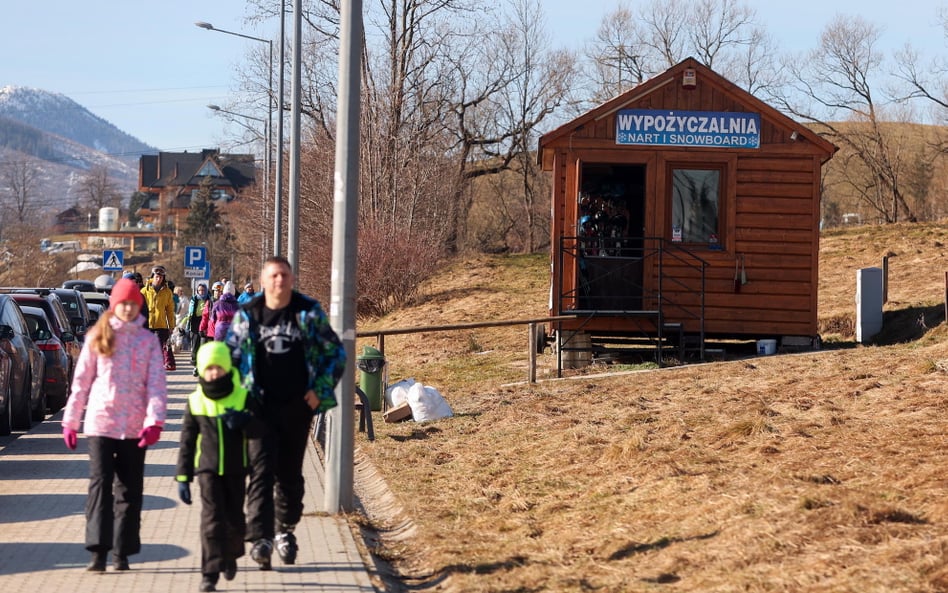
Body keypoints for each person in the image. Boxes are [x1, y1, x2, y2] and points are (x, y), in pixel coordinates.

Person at [226, 256, 345, 570]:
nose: (279, 281)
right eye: (274, 275)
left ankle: (285, 529)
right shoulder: (249, 314)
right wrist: (230, 400)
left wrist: (320, 391)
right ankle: (261, 538)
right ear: (263, 281)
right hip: (258, 407)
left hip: (297, 407)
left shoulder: (306, 311)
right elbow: (231, 357)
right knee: (261, 473)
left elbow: (334, 352)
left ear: (292, 279)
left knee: (289, 475)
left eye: (284, 275)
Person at [61, 277, 168, 572]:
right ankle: (98, 551)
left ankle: (122, 552)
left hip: (135, 428)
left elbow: (156, 385)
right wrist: (70, 421)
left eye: (134, 304)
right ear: (114, 305)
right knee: (100, 487)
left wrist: (155, 421)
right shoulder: (98, 336)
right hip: (101, 424)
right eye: (124, 304)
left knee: (130, 491)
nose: (129, 309)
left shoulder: (147, 341)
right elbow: (80, 383)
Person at [176, 341, 252, 592]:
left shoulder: (242, 397)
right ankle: (209, 573)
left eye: (219, 367)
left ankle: (230, 555)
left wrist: (245, 421)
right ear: (201, 370)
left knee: (235, 520)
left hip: (236, 469)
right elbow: (187, 441)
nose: (214, 373)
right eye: (209, 368)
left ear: (228, 368)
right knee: (211, 521)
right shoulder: (195, 401)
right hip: (207, 470)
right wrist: (183, 477)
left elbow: (262, 431)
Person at [141, 265, 178, 371]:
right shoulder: (144, 291)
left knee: (161, 348)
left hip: (161, 324)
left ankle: (160, 367)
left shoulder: (167, 292)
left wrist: (171, 325)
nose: (159, 278)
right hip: (146, 324)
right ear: (153, 276)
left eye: (161, 277)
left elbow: (170, 311)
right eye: (157, 276)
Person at [187, 284, 211, 376]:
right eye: (200, 290)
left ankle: (202, 366)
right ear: (197, 291)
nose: (201, 292)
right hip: (195, 323)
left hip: (205, 323)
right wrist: (186, 325)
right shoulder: (194, 299)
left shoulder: (209, 300)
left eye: (203, 290)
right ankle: (195, 366)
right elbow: (189, 313)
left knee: (203, 346)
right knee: (195, 346)